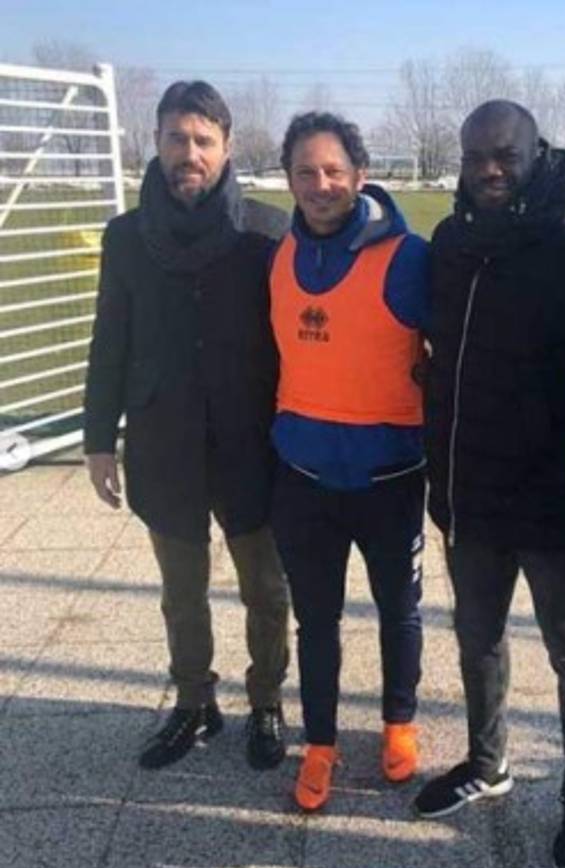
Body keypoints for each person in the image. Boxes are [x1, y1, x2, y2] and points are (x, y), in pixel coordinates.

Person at [412, 99, 565, 868]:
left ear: (536, 153)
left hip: (554, 502)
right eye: (474, 157)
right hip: (470, 496)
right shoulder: (449, 245)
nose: (489, 170)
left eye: (505, 154)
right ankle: (487, 762)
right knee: (477, 639)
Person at [84, 81, 291, 772]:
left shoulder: (266, 232)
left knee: (266, 588)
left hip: (250, 440)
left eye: (204, 140)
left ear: (227, 147)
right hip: (161, 438)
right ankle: (195, 704)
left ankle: (267, 701)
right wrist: (95, 440)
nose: (189, 153)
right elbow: (108, 339)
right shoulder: (125, 237)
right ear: (157, 143)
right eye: (177, 138)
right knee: (181, 593)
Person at [269, 112, 430, 813]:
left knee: (399, 609)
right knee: (316, 619)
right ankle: (322, 742)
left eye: (333, 170)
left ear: (360, 176)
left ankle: (398, 722)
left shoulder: (408, 256)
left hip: (389, 477)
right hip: (302, 478)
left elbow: (454, 355)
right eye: (305, 172)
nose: (320, 184)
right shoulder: (277, 254)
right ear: (289, 180)